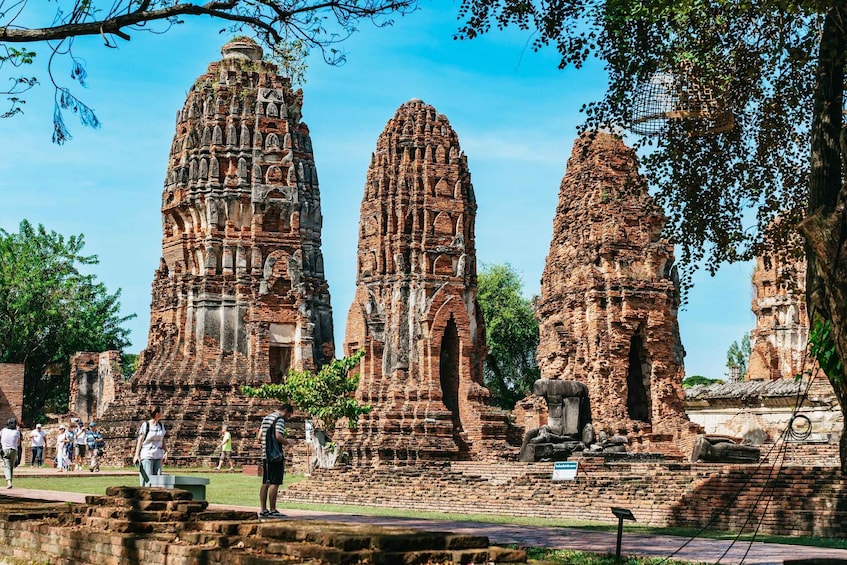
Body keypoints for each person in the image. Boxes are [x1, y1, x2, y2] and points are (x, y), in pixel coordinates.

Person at [257, 403, 294, 518]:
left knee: (266, 482)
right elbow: (278, 436)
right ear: (286, 411)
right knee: (275, 482)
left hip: (266, 454)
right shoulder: (280, 419)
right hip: (275, 455)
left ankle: (263, 509)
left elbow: (259, 437)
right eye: (288, 415)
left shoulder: (266, 418)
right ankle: (273, 509)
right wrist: (288, 442)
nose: (287, 418)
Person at [133, 407, 167, 486]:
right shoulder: (146, 425)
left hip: (158, 455)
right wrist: (136, 455)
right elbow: (140, 440)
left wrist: (166, 451)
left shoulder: (161, 426)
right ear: (157, 414)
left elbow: (162, 440)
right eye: (161, 412)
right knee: (147, 479)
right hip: (147, 454)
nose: (163, 414)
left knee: (158, 480)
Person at [1, 418, 21, 488]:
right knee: (11, 467)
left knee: (7, 466)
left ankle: (9, 482)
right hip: (14, 450)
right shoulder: (17, 432)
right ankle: (10, 482)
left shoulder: (3, 430)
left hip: (5, 450)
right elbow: (18, 443)